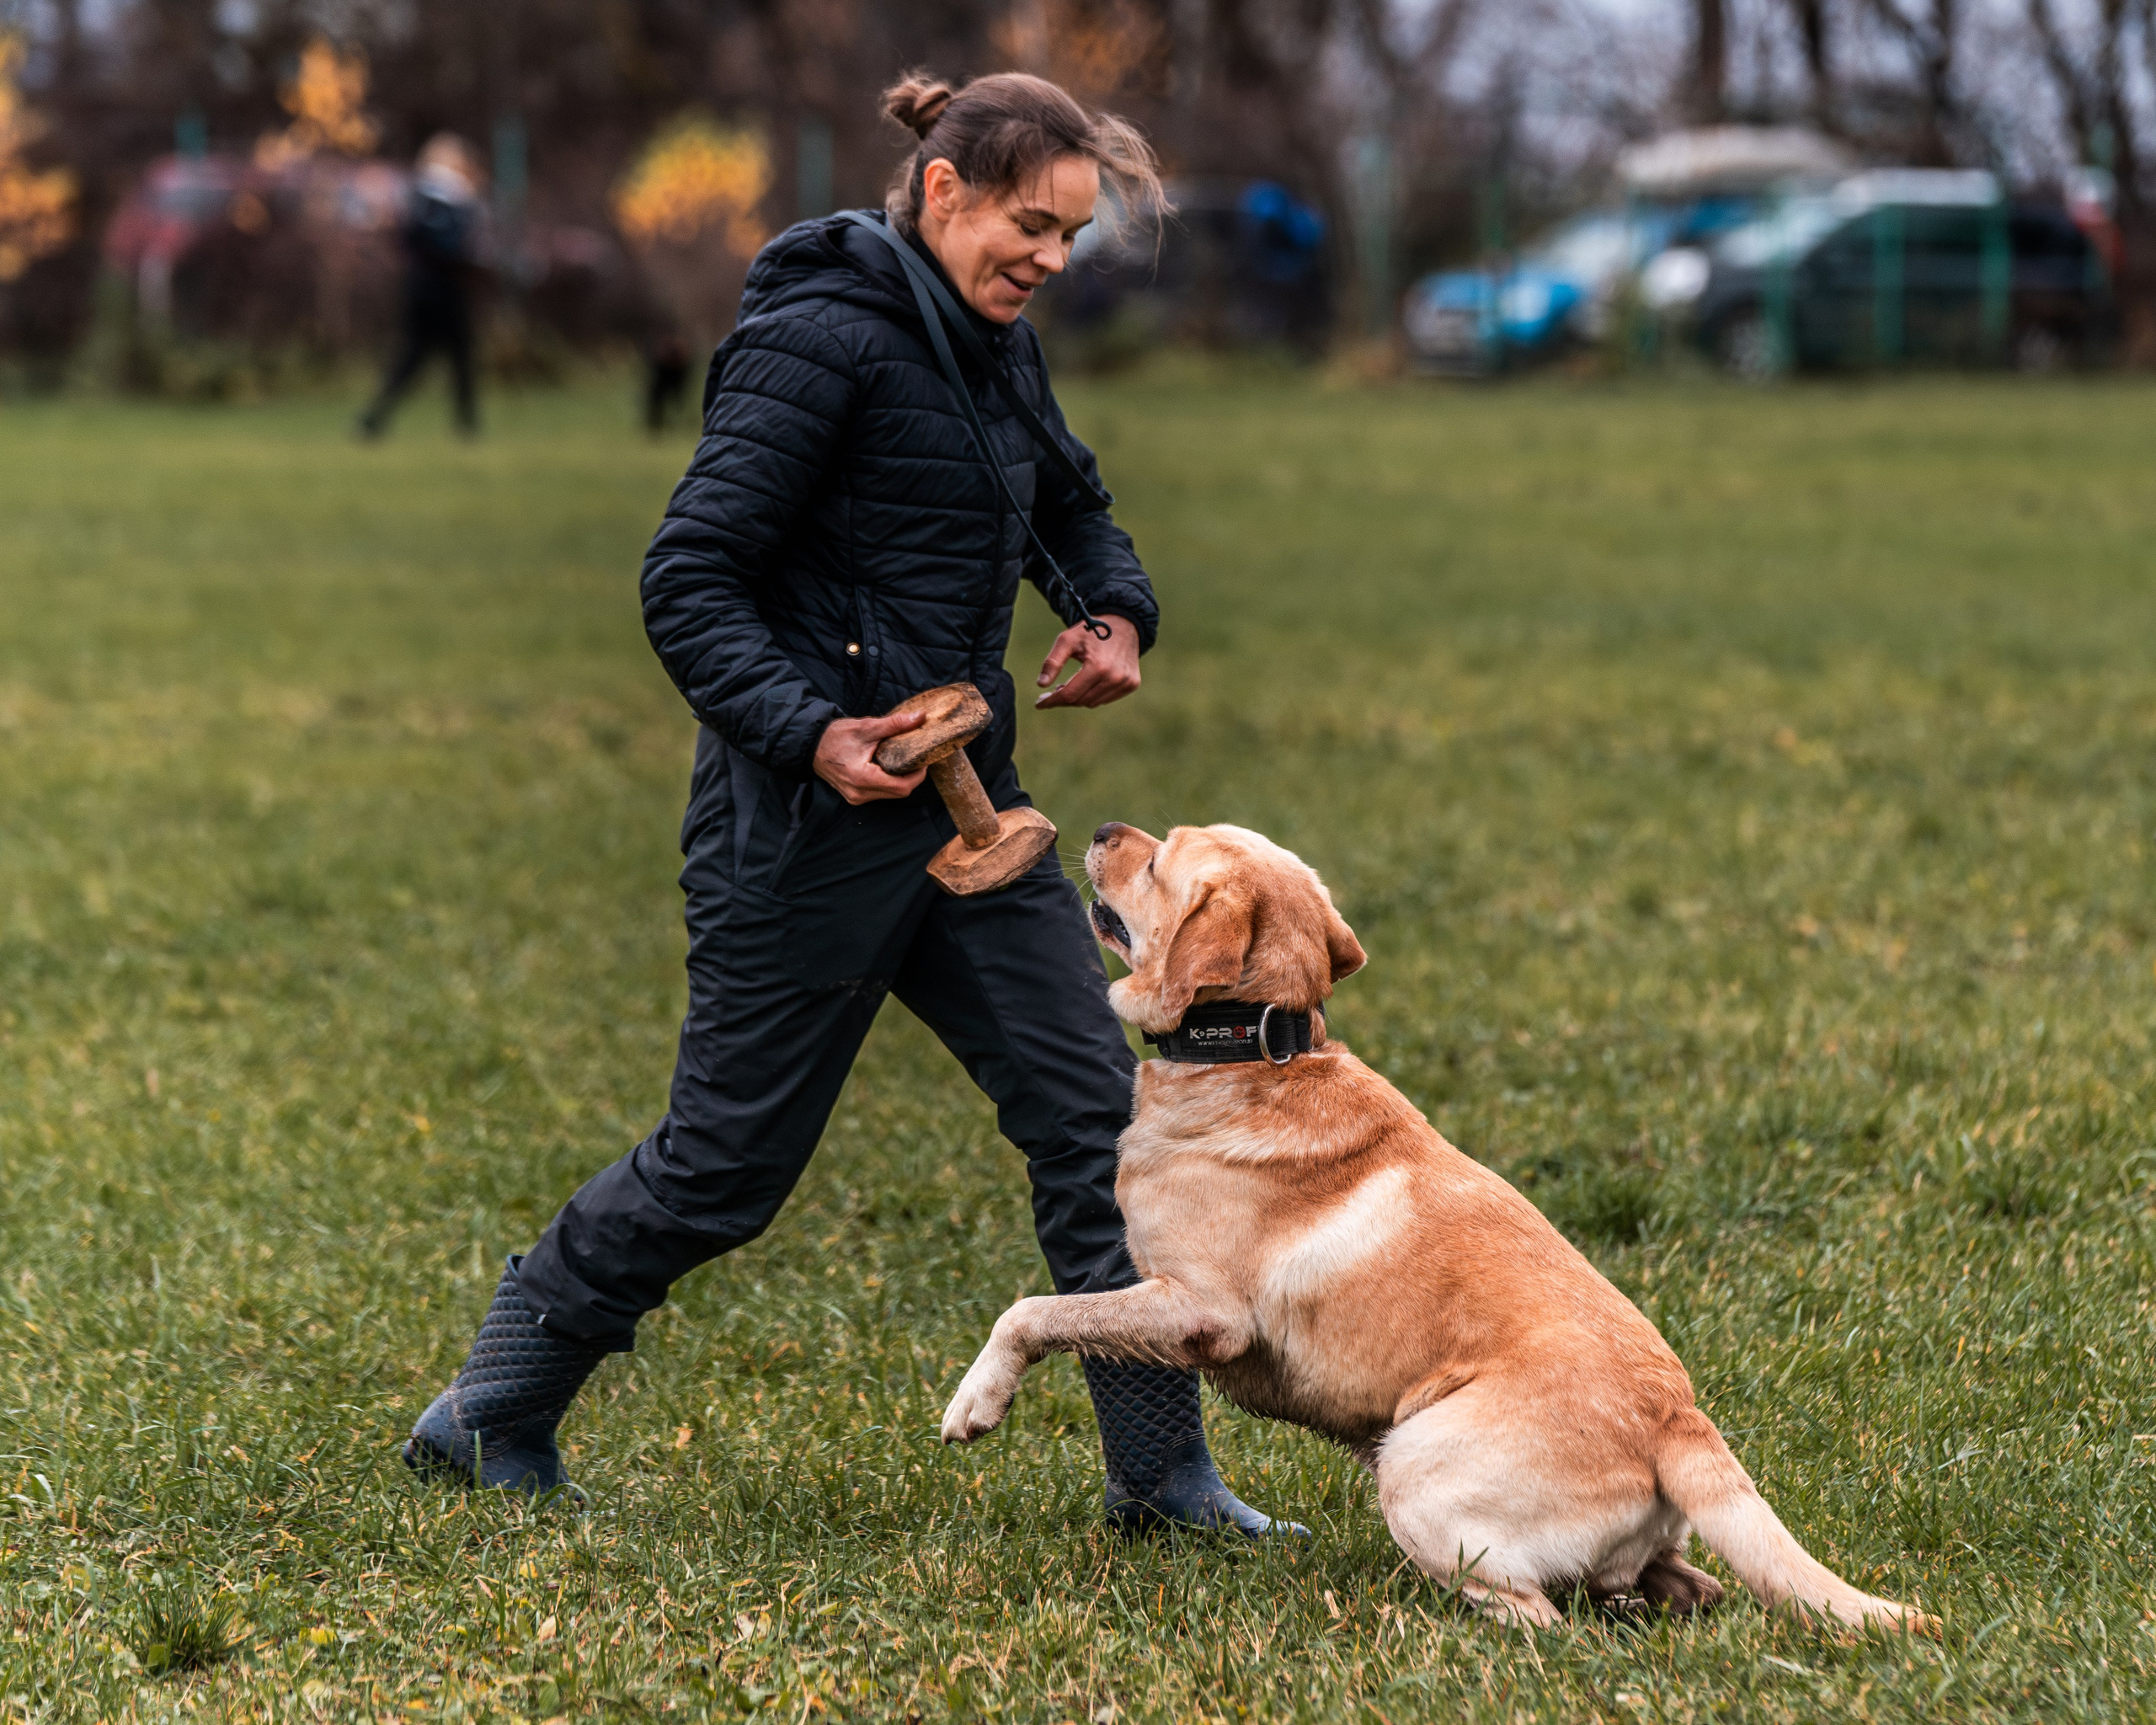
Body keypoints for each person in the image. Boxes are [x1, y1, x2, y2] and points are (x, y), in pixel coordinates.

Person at [403, 72, 1294, 1536]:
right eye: (1029, 225)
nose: (1050, 259)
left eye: (1070, 236)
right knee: (723, 1170)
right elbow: (688, 578)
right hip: (804, 832)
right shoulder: (818, 337)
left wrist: (1115, 612)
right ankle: (492, 1404)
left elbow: (1069, 504)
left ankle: (1162, 1479)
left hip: (972, 822)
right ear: (943, 191)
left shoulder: (995, 342)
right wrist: (810, 731)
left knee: (1100, 1128)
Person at [358, 134, 488, 439]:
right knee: (439, 356)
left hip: (430, 286)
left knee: (440, 356)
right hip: (438, 287)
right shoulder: (442, 198)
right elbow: (444, 244)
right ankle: (464, 424)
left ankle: (376, 419)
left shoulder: (425, 197)